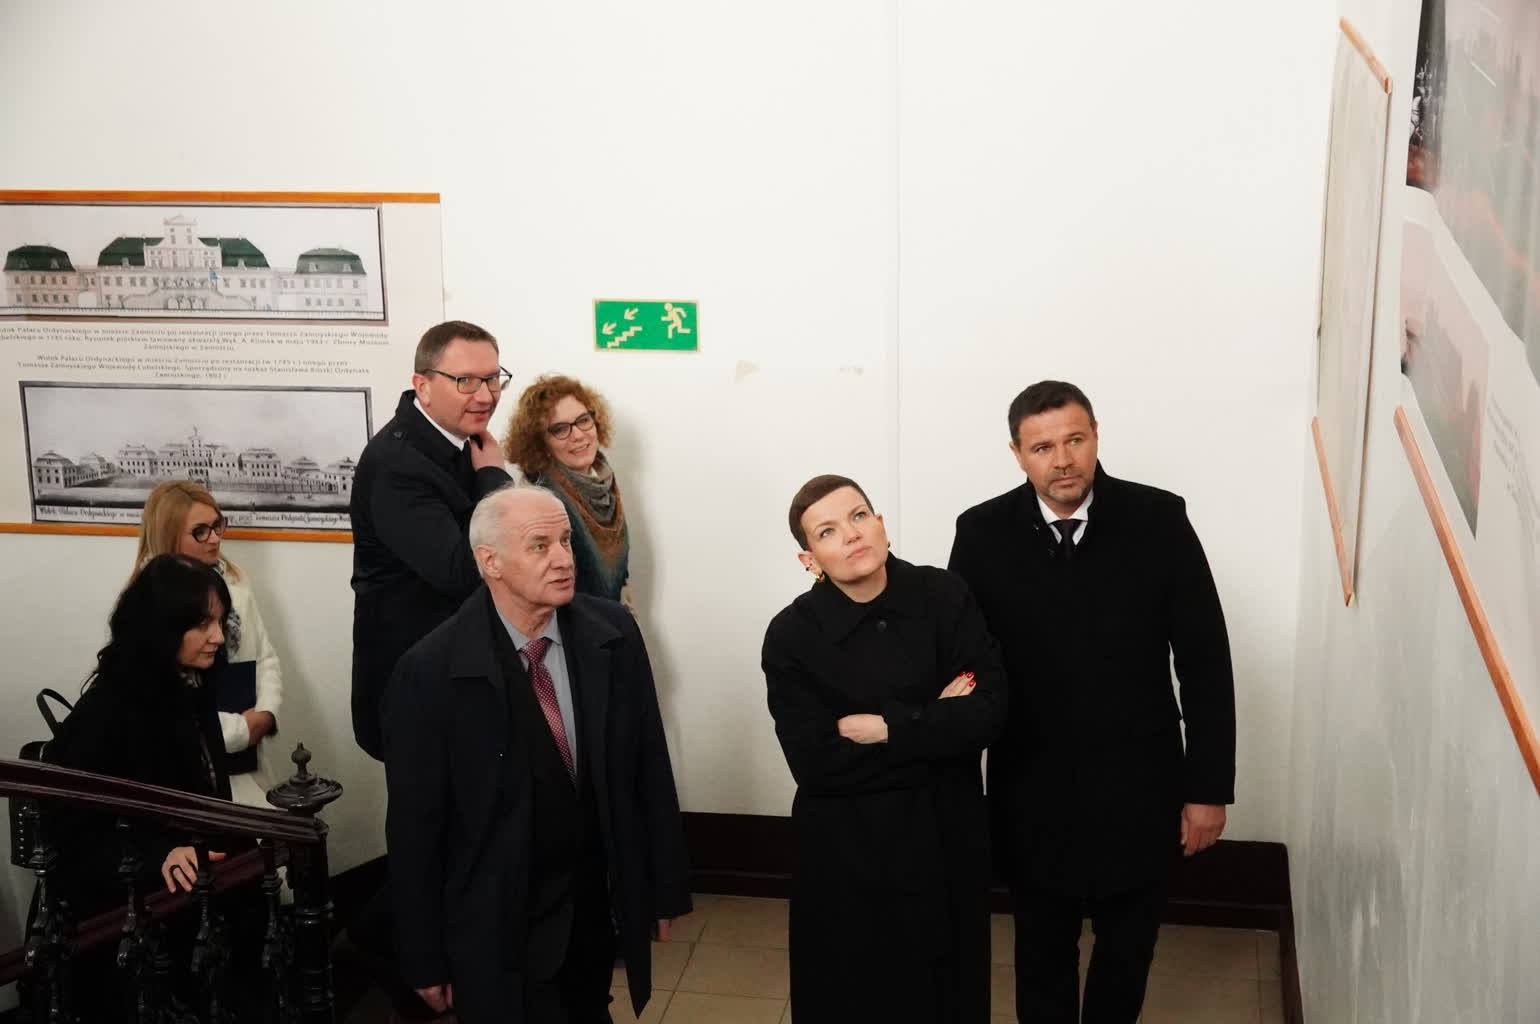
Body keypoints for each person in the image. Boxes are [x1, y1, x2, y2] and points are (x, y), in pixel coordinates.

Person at [947, 381, 1236, 1023]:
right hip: (1030, 786)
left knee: (1128, 947)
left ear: (1096, 435)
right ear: (1018, 454)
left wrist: (1208, 788)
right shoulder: (981, 531)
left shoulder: (1159, 519)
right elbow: (962, 665)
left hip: (1141, 783)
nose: (1063, 460)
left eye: (1075, 440)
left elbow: (1205, 660)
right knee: (1040, 950)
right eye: (1042, 447)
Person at [382, 485, 691, 1023]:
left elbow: (648, 768)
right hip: (496, 928)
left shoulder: (613, 634)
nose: (564, 559)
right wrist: (424, 955)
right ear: (490, 562)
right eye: (540, 546)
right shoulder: (429, 670)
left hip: (591, 917)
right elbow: (415, 828)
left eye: (566, 541)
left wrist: (662, 889)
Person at [761, 475, 1007, 1023]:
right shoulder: (792, 635)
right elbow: (817, 765)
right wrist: (937, 725)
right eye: (828, 531)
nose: (851, 534)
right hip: (848, 857)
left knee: (948, 997)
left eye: (858, 516)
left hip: (945, 843)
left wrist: (887, 728)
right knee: (855, 998)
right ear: (809, 560)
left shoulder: (944, 595)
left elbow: (989, 713)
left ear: (881, 524)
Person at [350, 319, 514, 761]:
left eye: (493, 379)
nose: (486, 396)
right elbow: (463, 570)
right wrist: (494, 478)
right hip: (416, 687)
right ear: (422, 386)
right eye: (466, 381)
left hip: (458, 674)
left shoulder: (460, 441)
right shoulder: (398, 463)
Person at [134, 480, 282, 807]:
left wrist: (266, 712)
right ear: (169, 535)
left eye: (217, 526)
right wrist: (242, 729)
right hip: (192, 769)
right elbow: (163, 707)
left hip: (247, 758)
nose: (214, 538)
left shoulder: (236, 585)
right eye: (200, 531)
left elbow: (265, 657)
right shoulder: (149, 604)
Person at [503, 374, 630, 604]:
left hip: (614, 614)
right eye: (560, 429)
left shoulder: (601, 479)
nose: (578, 435)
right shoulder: (538, 499)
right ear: (540, 442)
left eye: (583, 420)